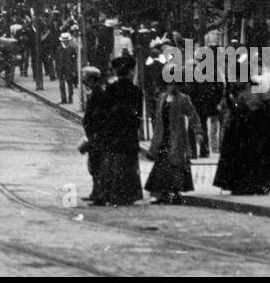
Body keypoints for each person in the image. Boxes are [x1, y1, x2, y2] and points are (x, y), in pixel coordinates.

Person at [213, 68, 270, 196]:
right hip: (246, 130)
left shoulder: (251, 91)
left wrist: (234, 104)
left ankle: (249, 185)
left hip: (249, 131)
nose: (236, 82)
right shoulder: (247, 90)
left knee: (249, 160)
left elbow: (245, 107)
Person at [145, 77, 201, 205]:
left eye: (174, 84)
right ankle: (162, 193)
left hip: (177, 137)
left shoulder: (183, 99)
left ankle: (175, 194)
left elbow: (193, 115)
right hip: (162, 137)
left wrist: (198, 131)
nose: (171, 86)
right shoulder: (162, 98)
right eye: (169, 84)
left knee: (175, 165)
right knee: (162, 165)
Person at [99, 56, 142, 205]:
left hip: (114, 133)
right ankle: (130, 194)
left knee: (114, 164)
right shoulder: (136, 91)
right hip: (129, 134)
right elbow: (138, 116)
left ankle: (114, 194)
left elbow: (105, 112)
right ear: (130, 72)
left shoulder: (110, 89)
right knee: (129, 164)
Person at [78, 66, 110, 204]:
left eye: (85, 77)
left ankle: (100, 195)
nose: (83, 80)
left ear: (92, 79)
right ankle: (95, 192)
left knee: (97, 165)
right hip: (94, 134)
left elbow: (99, 116)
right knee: (93, 164)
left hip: (98, 135)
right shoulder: (95, 92)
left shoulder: (99, 93)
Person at [57, 31, 78, 104]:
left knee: (70, 85)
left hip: (69, 69)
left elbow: (74, 60)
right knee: (61, 85)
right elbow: (57, 59)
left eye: (67, 41)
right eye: (64, 41)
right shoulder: (59, 49)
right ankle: (63, 99)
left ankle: (70, 99)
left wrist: (74, 70)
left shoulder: (72, 49)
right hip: (61, 69)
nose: (66, 42)